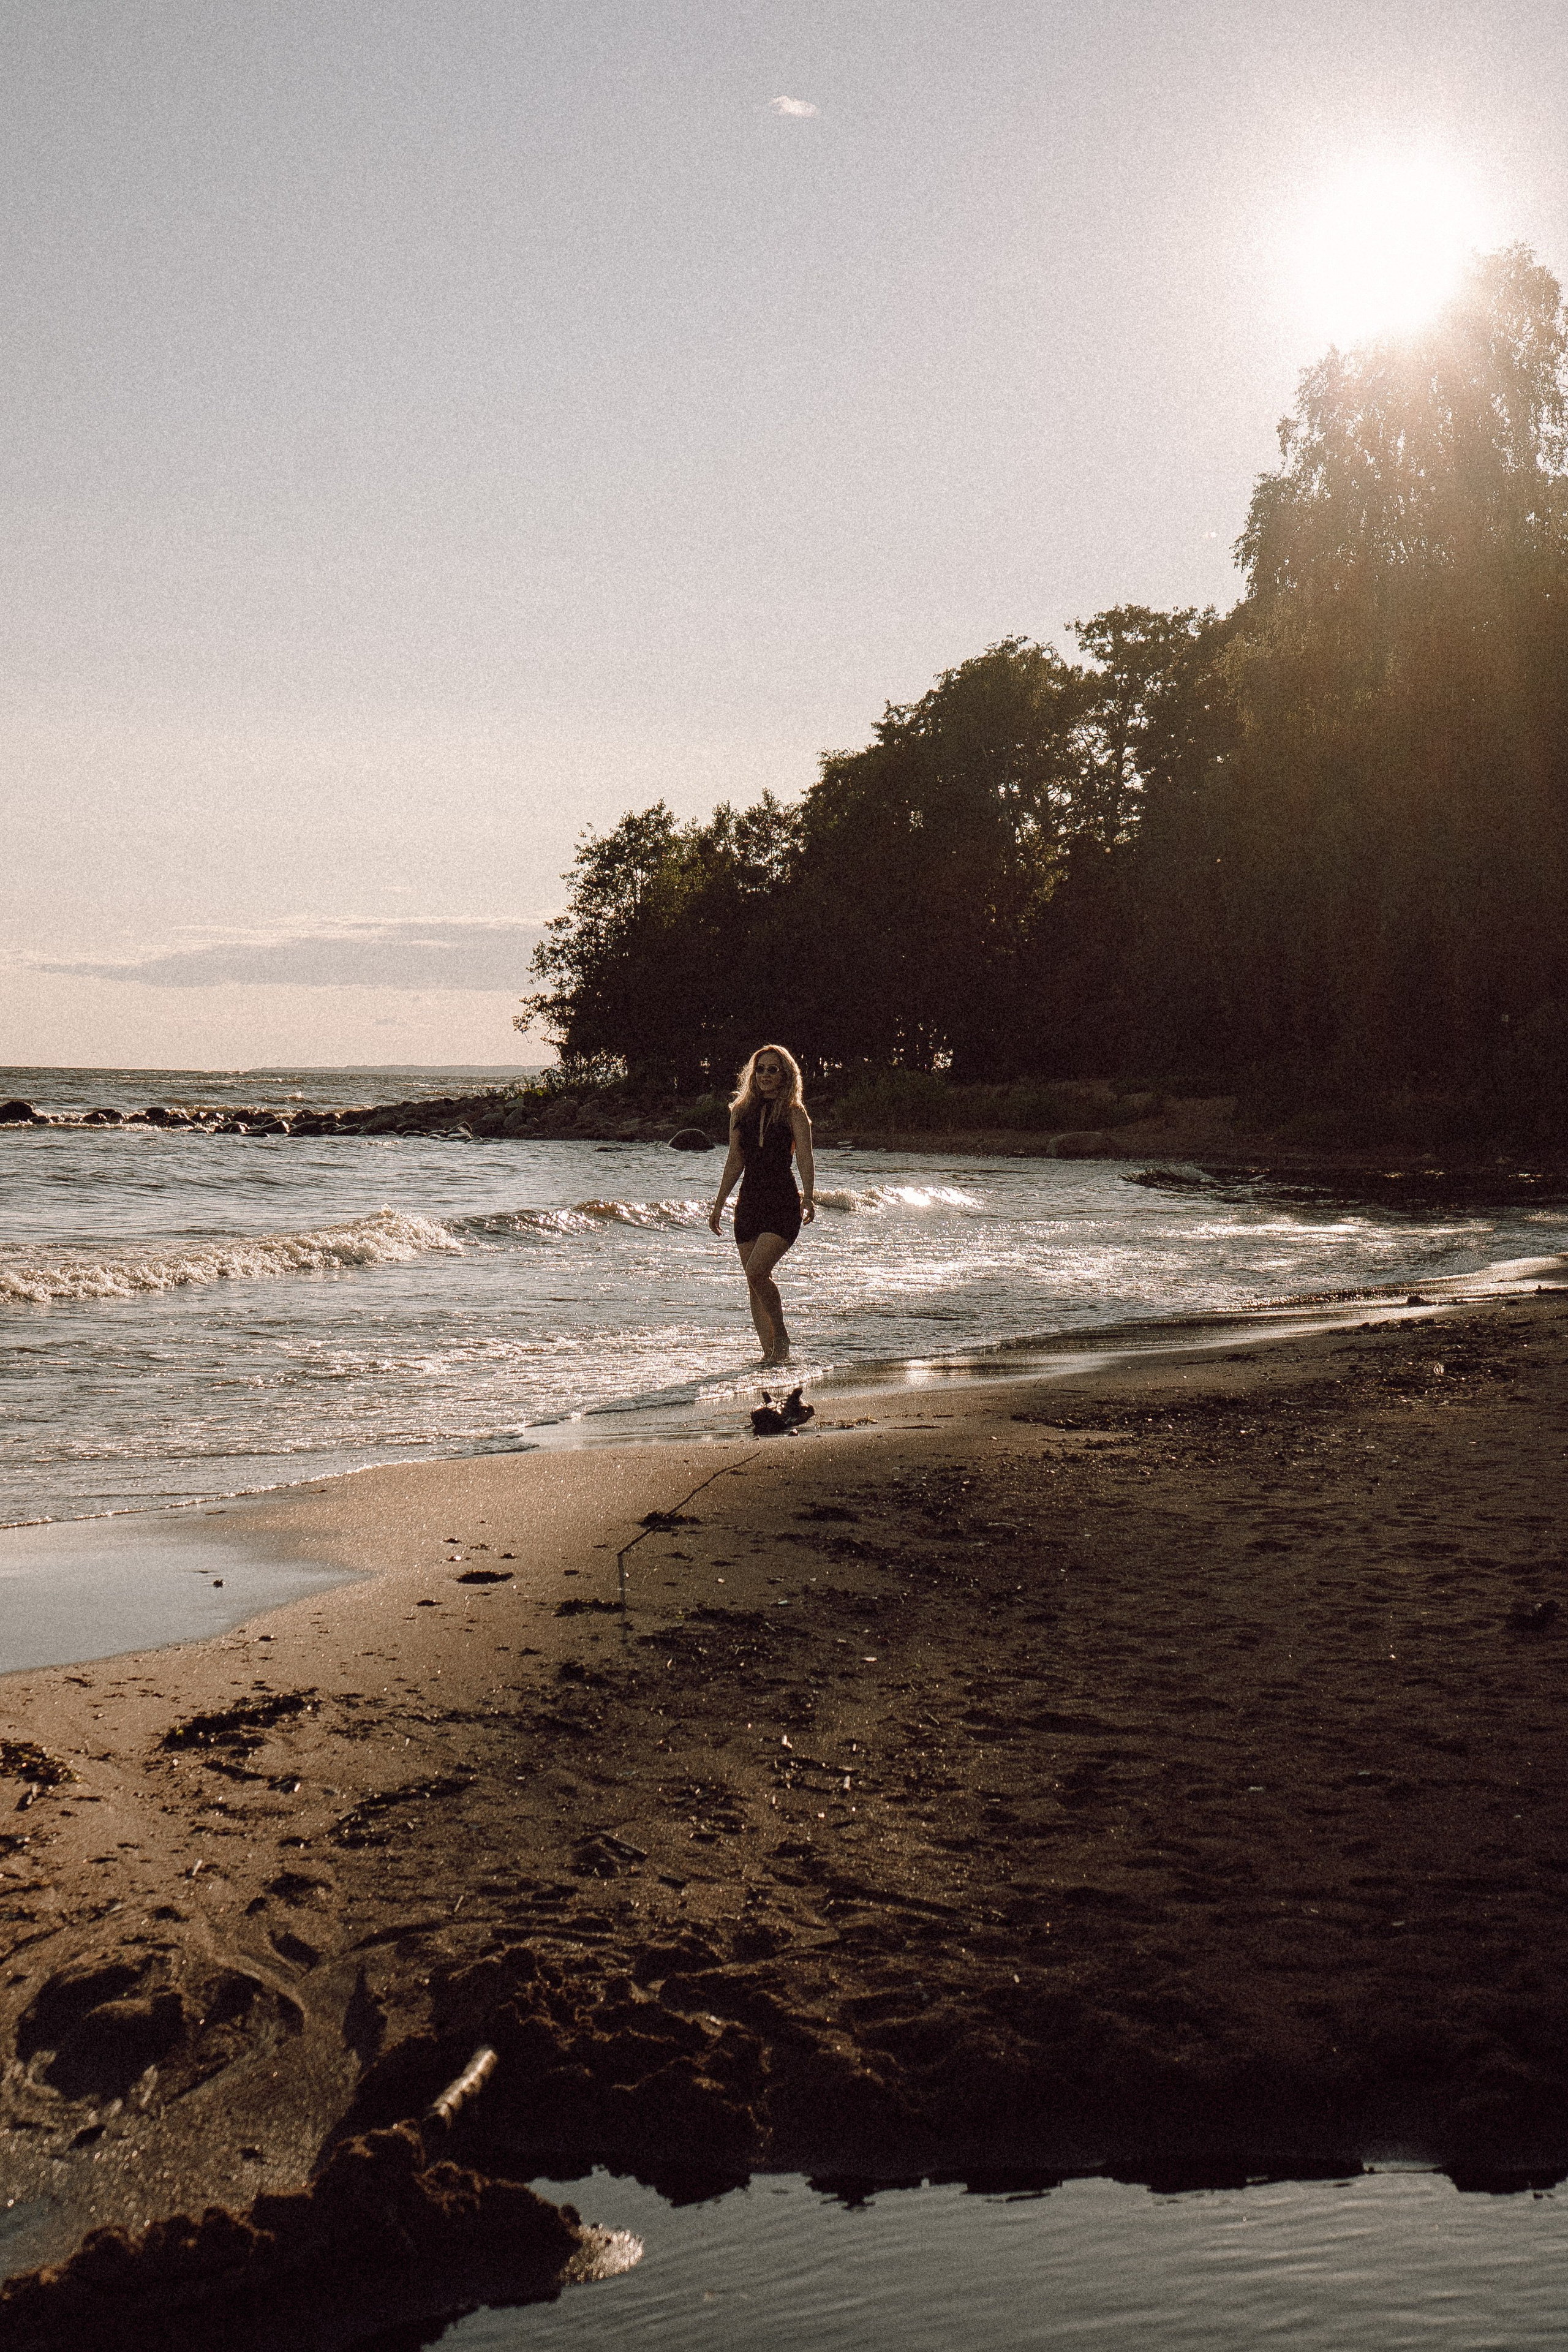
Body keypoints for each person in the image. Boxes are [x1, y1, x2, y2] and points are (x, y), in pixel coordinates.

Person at [708, 1044, 815, 1365]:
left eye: (773, 1069)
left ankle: (781, 1337)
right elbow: (735, 1159)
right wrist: (719, 1204)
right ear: (753, 1073)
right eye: (761, 1069)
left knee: (757, 1271)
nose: (766, 1075)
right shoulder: (740, 1112)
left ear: (785, 1075)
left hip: (782, 1201)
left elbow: (806, 1158)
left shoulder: (795, 1112)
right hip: (749, 1203)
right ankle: (770, 1358)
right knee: (753, 1282)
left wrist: (808, 1196)